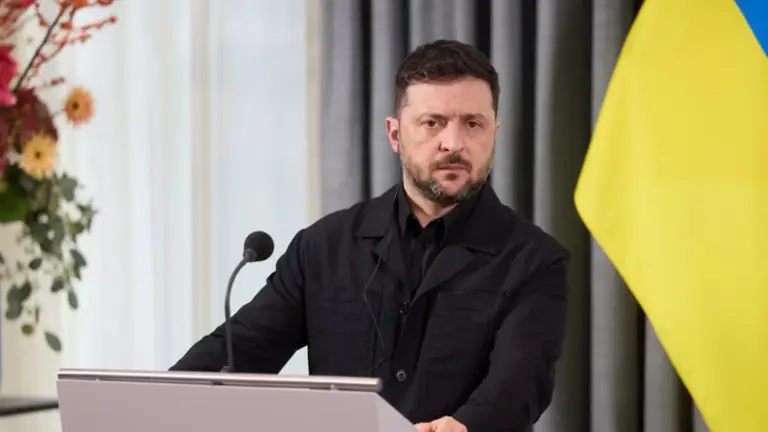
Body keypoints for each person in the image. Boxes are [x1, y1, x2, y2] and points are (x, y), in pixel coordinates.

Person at [171, 39, 570, 432]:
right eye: (432, 123)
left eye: (473, 124)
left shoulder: (535, 260)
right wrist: (160, 402)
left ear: (494, 133)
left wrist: (466, 426)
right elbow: (242, 350)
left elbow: (520, 382)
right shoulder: (322, 247)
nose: (454, 143)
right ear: (395, 134)